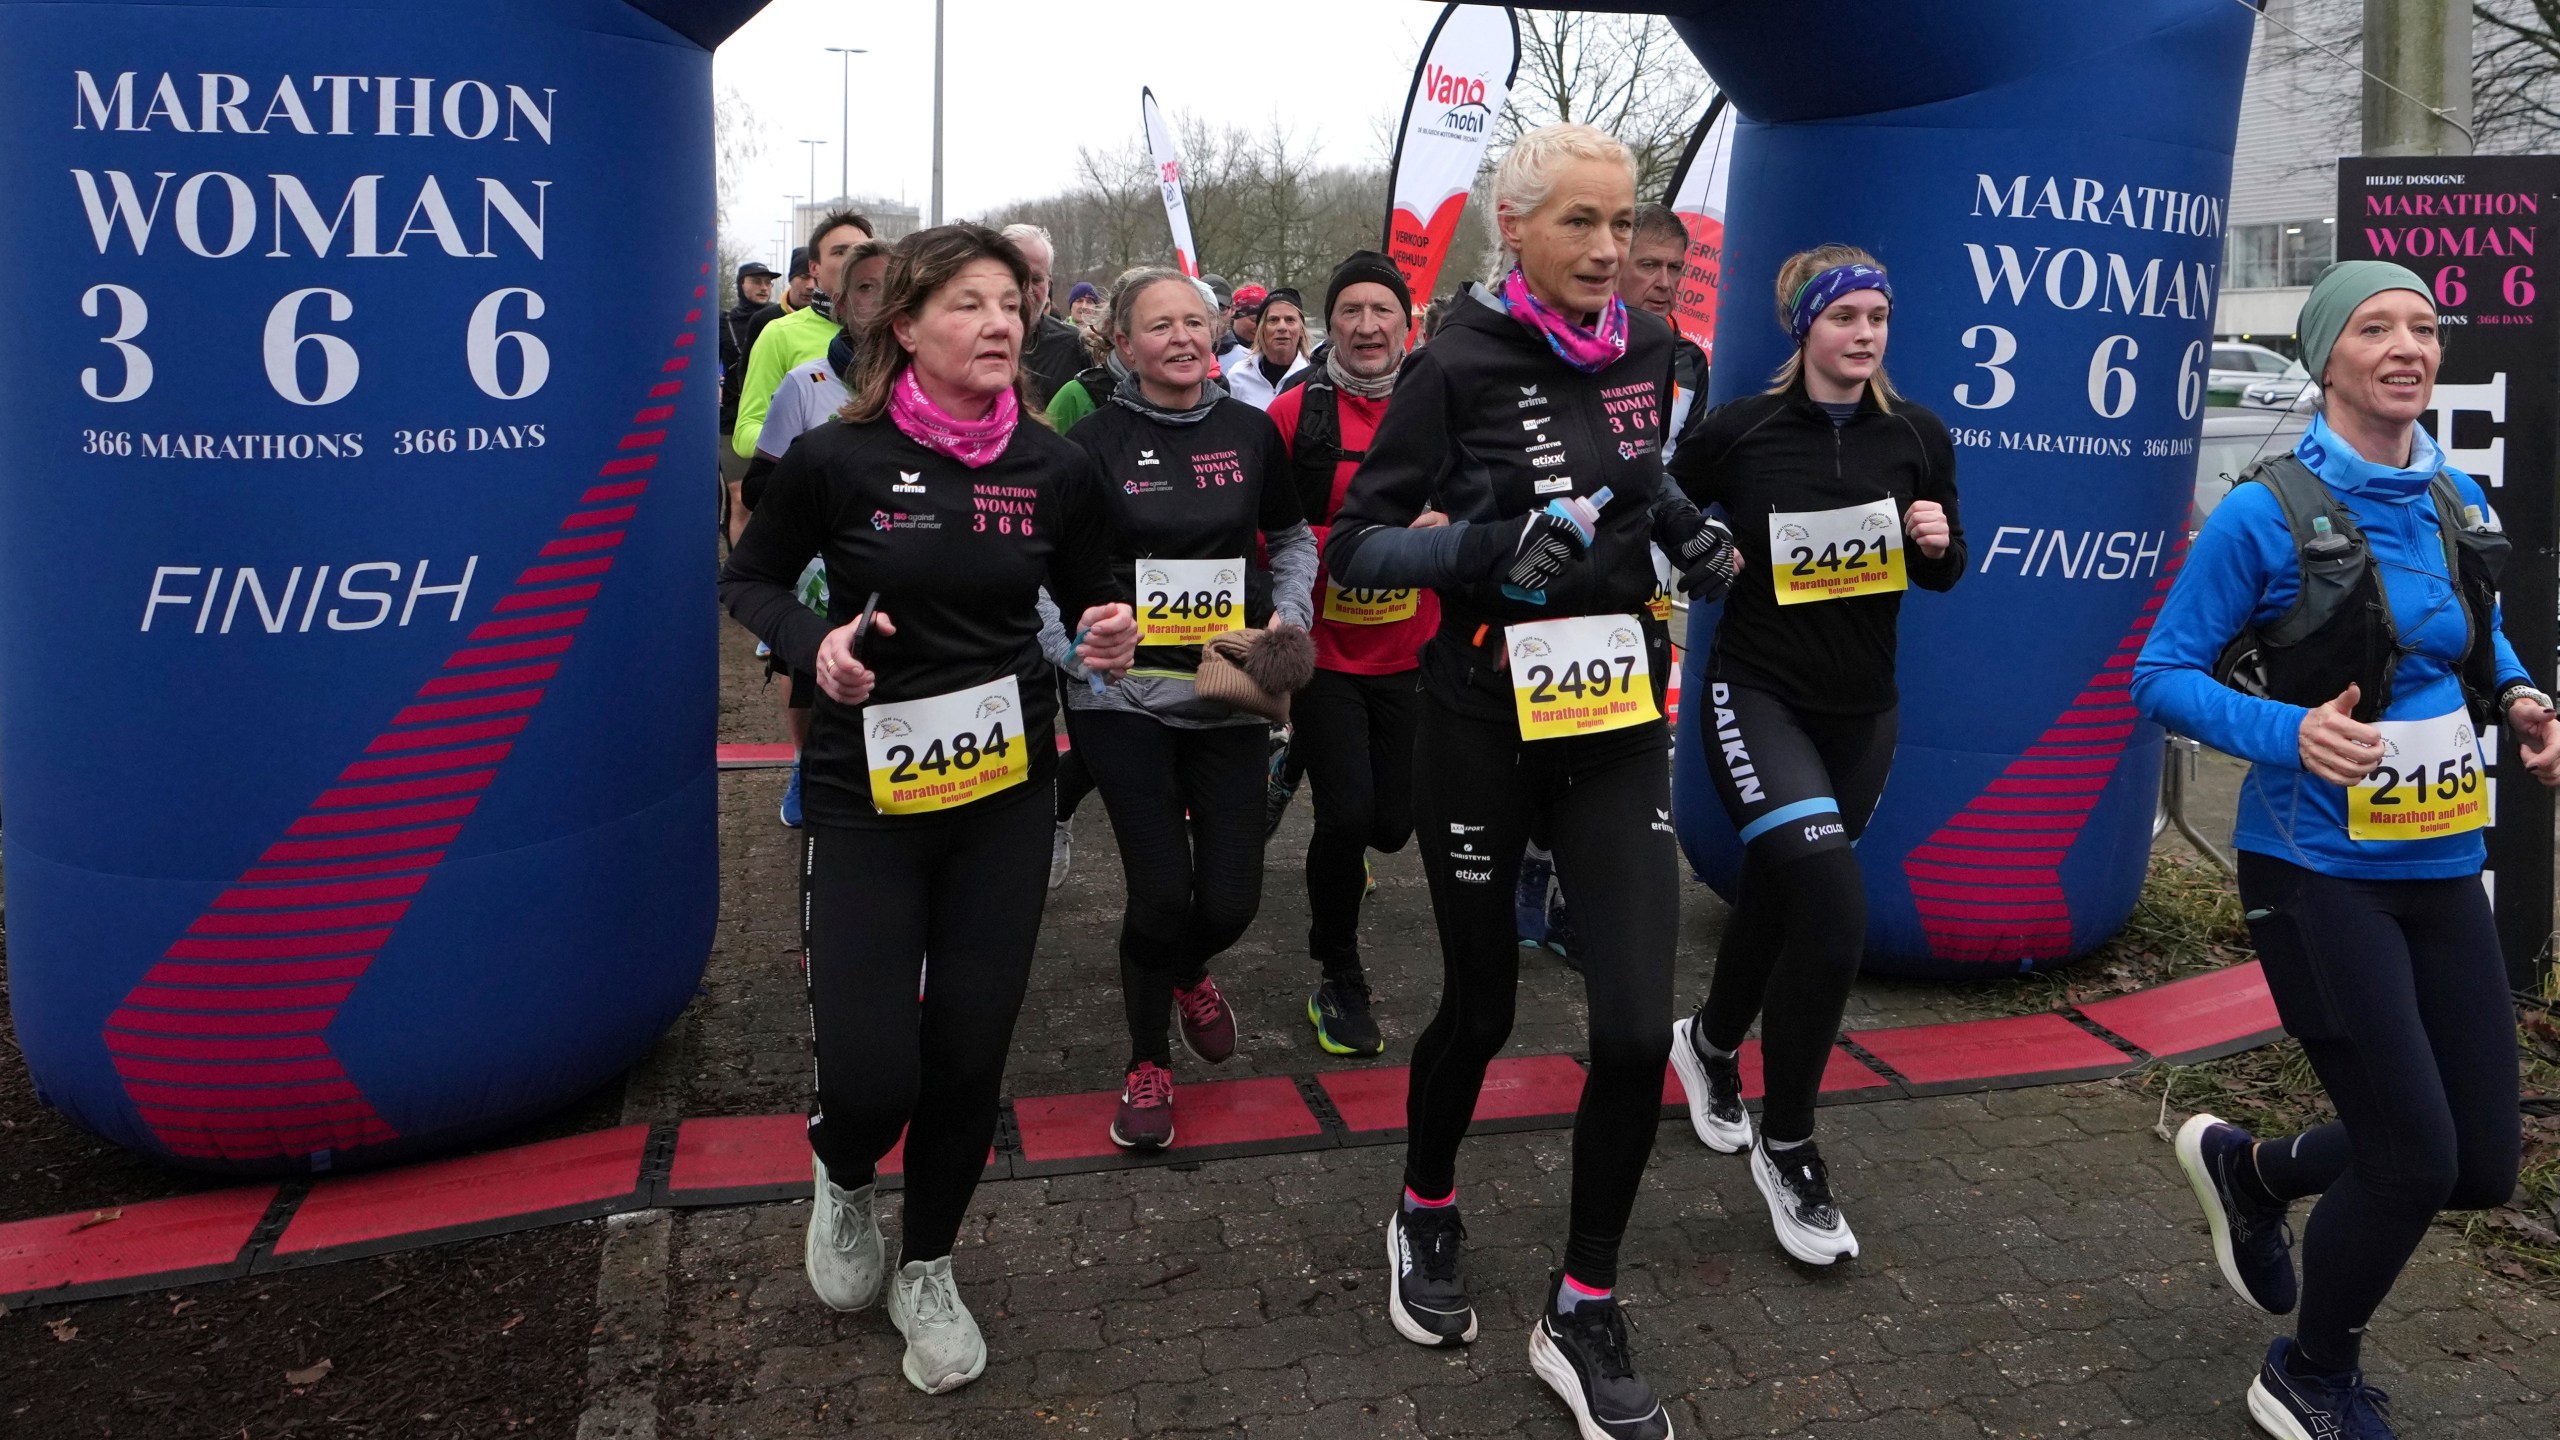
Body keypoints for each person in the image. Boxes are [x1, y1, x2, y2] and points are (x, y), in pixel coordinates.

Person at [1325, 122, 1741, 1439]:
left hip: (1616, 715)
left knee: (1628, 1028)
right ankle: (1428, 1202)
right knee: (1483, 1007)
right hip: (1480, 722)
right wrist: (1497, 547)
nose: (1613, 252)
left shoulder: (1648, 351)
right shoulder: (1451, 364)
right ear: (1518, 226)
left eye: (1625, 228)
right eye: (1583, 224)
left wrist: (1690, 533)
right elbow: (1362, 547)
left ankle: (1583, 1303)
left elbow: (1638, 472)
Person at [2132, 259, 2559, 1440]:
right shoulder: (2264, 510)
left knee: (2478, 1167)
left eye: (2421, 326)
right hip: (2315, 873)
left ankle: (2256, 1173)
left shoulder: (2451, 495)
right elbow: (2159, 676)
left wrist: (2523, 702)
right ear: (2326, 357)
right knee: (2412, 1158)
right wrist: (2289, 732)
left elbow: (2482, 638)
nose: (2405, 346)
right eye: (2374, 327)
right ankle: (2308, 1373)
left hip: (2437, 865)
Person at [719, 223, 1137, 1395]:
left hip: (1005, 790)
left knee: (965, 1053)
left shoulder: (1056, 469)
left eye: (1011, 302)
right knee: (870, 1074)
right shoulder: (839, 460)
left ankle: (930, 1265)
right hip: (866, 795)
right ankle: (842, 1168)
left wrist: (1109, 628)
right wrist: (817, 646)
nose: (1001, 323)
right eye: (968, 304)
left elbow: (1096, 594)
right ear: (903, 327)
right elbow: (747, 576)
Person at [1664, 245, 1964, 1271]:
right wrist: (1700, 548)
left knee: (1785, 894)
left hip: (1862, 711)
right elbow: (1658, 499)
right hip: (1757, 695)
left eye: (1878, 314)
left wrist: (1935, 539)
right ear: (1806, 330)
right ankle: (1788, 1146)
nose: (1865, 333)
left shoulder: (1915, 434)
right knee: (1833, 911)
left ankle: (1705, 1044)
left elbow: (1945, 573)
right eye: (1845, 317)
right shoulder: (1742, 430)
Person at [1057, 266, 1316, 1150]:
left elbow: (1289, 538)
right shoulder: (1089, 443)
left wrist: (1291, 612)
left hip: (1228, 686)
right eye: (1160, 326)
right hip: (1121, 698)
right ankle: (1145, 1061)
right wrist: (1078, 643)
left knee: (1233, 900)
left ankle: (1189, 970)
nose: (1184, 338)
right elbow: (1051, 573)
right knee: (1161, 891)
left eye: (1196, 323)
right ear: (1122, 344)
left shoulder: (1249, 433)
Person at [1264, 253, 1433, 1058]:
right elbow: (1263, 531)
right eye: (1350, 312)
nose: (1367, 326)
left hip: (1412, 650)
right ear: (1328, 326)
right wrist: (1359, 545)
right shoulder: (1296, 415)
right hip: (1326, 656)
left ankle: (1316, 800)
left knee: (1395, 827)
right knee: (1349, 817)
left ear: (1409, 323)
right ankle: (1338, 972)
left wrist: (1449, 531)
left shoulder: (1438, 406)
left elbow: (1479, 498)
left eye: (1382, 312)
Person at [739, 238, 895, 829]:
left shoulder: (936, 383)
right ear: (835, 295)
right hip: (824, 579)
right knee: (817, 688)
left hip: (902, 580)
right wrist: (820, 502)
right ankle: (808, 767)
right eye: (863, 286)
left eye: (890, 285)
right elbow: (758, 489)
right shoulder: (808, 382)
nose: (877, 299)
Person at [734, 209, 874, 463]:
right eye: (840, 251)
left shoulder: (900, 331)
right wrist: (809, 448)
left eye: (861, 251)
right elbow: (746, 431)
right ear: (814, 267)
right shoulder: (780, 334)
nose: (852, 259)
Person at [1623, 204, 1710, 459]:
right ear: (1615, 265)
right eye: (1649, 265)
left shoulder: (1691, 359)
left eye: (1674, 268)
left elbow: (1681, 467)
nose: (1664, 283)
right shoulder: (1577, 344)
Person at [721, 260, 782, 541]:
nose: (764, 287)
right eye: (756, 281)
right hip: (732, 422)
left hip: (772, 421)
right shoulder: (724, 323)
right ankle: (737, 573)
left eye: (768, 282)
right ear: (741, 283)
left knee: (769, 500)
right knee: (739, 496)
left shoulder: (781, 322)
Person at [1000, 223, 1087, 411]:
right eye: (1017, 276)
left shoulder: (1072, 346)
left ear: (1049, 284)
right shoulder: (974, 339)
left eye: (1037, 280)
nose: (1026, 289)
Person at [1224, 287, 1313, 409]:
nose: (1282, 327)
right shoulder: (1238, 375)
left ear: (1301, 330)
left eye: (1290, 320)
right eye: (1273, 320)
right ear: (1261, 329)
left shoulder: (1313, 377)